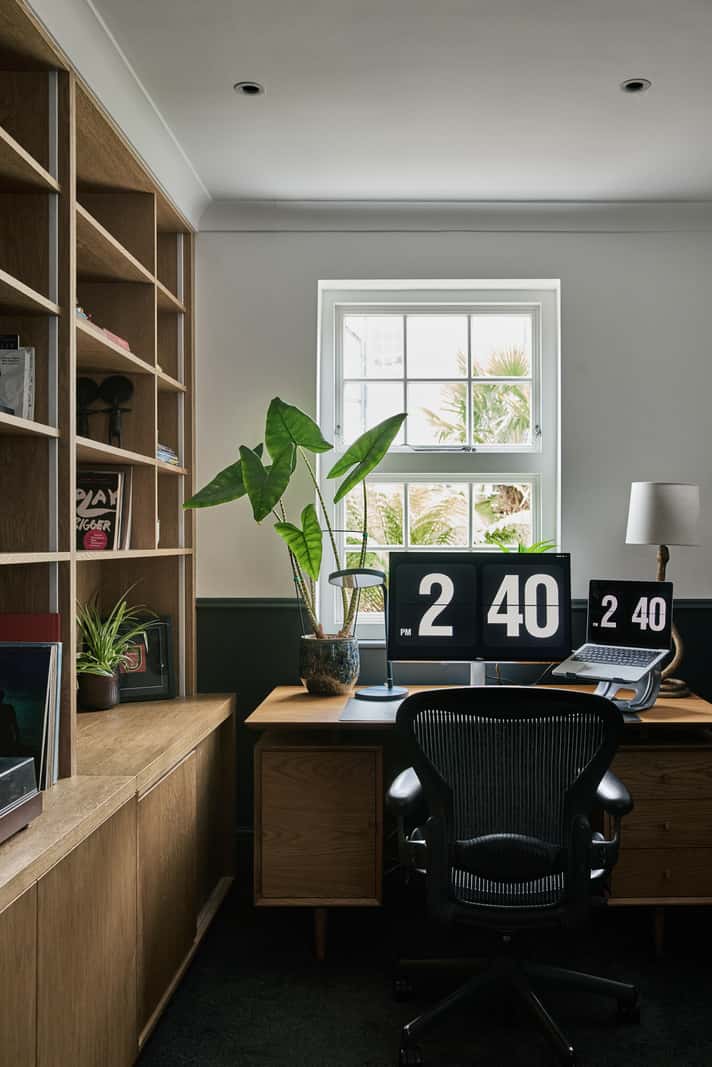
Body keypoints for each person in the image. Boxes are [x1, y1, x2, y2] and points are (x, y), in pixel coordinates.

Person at [0, 689, 20, 753]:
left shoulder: (8, 708)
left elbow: (14, 724)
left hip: (6, 737)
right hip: (7, 737)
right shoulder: (8, 708)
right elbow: (14, 725)